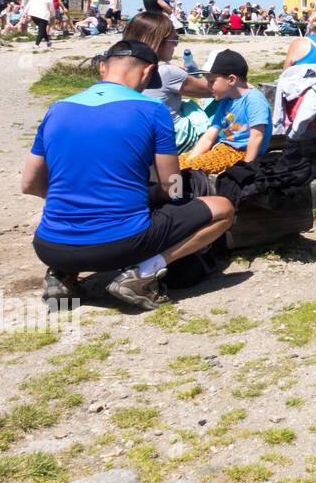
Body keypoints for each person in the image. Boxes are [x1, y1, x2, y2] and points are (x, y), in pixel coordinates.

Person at [23, 39, 235, 310]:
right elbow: (172, 188)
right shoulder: (152, 110)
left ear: (102, 68)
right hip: (120, 246)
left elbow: (30, 184)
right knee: (222, 208)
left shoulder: (57, 109)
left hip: (49, 246)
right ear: (147, 72)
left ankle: (63, 274)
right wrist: (151, 194)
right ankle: (142, 274)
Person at [123, 11, 214, 153]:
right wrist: (197, 71)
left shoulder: (119, 68)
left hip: (135, 139)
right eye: (175, 40)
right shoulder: (167, 72)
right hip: (169, 142)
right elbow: (212, 90)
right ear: (159, 42)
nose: (176, 45)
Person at [180, 51, 272, 172]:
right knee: (177, 163)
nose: (207, 86)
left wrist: (247, 168)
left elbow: (257, 136)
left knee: (187, 168)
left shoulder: (254, 99)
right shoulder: (226, 100)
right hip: (222, 148)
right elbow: (209, 136)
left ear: (231, 79)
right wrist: (190, 159)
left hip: (241, 153)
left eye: (212, 81)